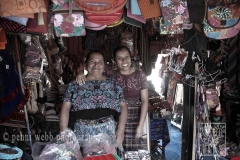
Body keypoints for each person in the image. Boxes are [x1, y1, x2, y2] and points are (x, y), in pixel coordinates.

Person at [76, 46, 149, 151]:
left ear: (131, 58)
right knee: (114, 148)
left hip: (136, 117)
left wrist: (141, 124)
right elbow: (94, 69)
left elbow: (145, 100)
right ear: (114, 61)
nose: (124, 61)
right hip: (115, 117)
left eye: (126, 57)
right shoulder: (111, 74)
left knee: (134, 149)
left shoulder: (140, 75)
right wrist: (81, 72)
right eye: (119, 58)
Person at [60, 50, 128, 152]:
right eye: (92, 62)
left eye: (100, 62)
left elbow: (123, 106)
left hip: (108, 131)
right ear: (86, 65)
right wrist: (63, 132)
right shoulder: (74, 85)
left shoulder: (113, 84)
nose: (96, 65)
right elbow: (65, 109)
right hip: (82, 132)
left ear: (104, 66)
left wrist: (121, 130)